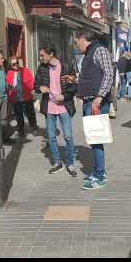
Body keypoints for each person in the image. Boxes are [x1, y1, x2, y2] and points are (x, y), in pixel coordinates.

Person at [73, 30, 114, 190]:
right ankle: (97, 171)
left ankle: (100, 175)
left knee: (97, 139)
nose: (76, 45)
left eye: (76, 42)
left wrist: (99, 97)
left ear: (83, 39)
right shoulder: (90, 53)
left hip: (96, 102)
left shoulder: (99, 50)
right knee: (93, 139)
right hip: (89, 101)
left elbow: (109, 74)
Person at [35, 44, 78, 177]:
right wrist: (40, 88)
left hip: (64, 106)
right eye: (40, 55)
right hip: (49, 107)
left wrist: (64, 96)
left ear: (51, 54)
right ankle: (57, 163)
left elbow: (74, 86)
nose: (40, 58)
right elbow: (36, 84)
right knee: (52, 137)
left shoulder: (65, 65)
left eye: (42, 55)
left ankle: (70, 163)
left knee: (68, 136)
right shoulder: (42, 68)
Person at [6, 56, 38, 137]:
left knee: (30, 112)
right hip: (16, 97)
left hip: (26, 96)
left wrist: (30, 89)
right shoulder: (9, 73)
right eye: (13, 64)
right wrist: (10, 89)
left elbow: (31, 81)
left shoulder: (25, 71)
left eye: (17, 63)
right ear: (10, 65)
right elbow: (8, 85)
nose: (16, 65)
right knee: (18, 115)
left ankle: (33, 125)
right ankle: (21, 130)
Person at [0, 50, 16, 144]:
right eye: (1, 58)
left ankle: (5, 137)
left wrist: (9, 86)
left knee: (4, 119)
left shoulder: (2, 69)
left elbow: (4, 82)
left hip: (4, 98)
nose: (3, 60)